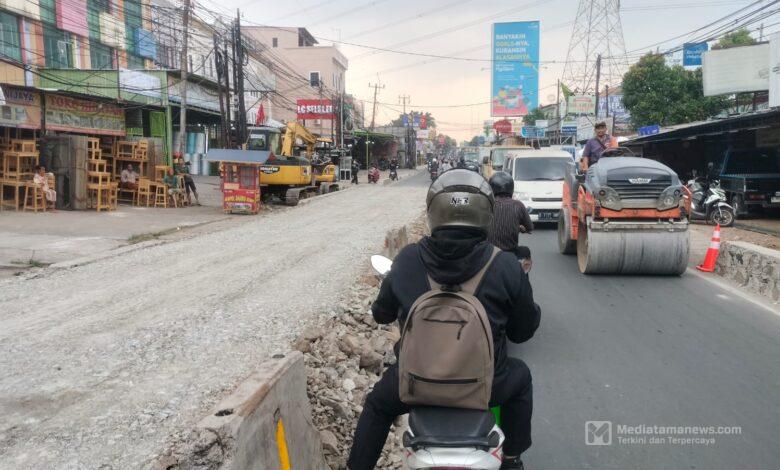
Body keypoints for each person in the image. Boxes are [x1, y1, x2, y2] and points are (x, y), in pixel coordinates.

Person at [348, 169, 540, 470]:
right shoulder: (505, 265)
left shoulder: (407, 259)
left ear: (433, 213)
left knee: (377, 406)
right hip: (485, 387)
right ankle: (513, 458)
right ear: (485, 214)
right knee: (522, 376)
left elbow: (381, 314)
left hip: (414, 386)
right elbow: (523, 332)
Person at [487, 171, 534, 272]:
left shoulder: (486, 204)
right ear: (511, 188)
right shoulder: (518, 205)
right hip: (511, 252)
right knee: (525, 251)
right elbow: (530, 227)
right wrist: (521, 228)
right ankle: (523, 277)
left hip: (488, 252)